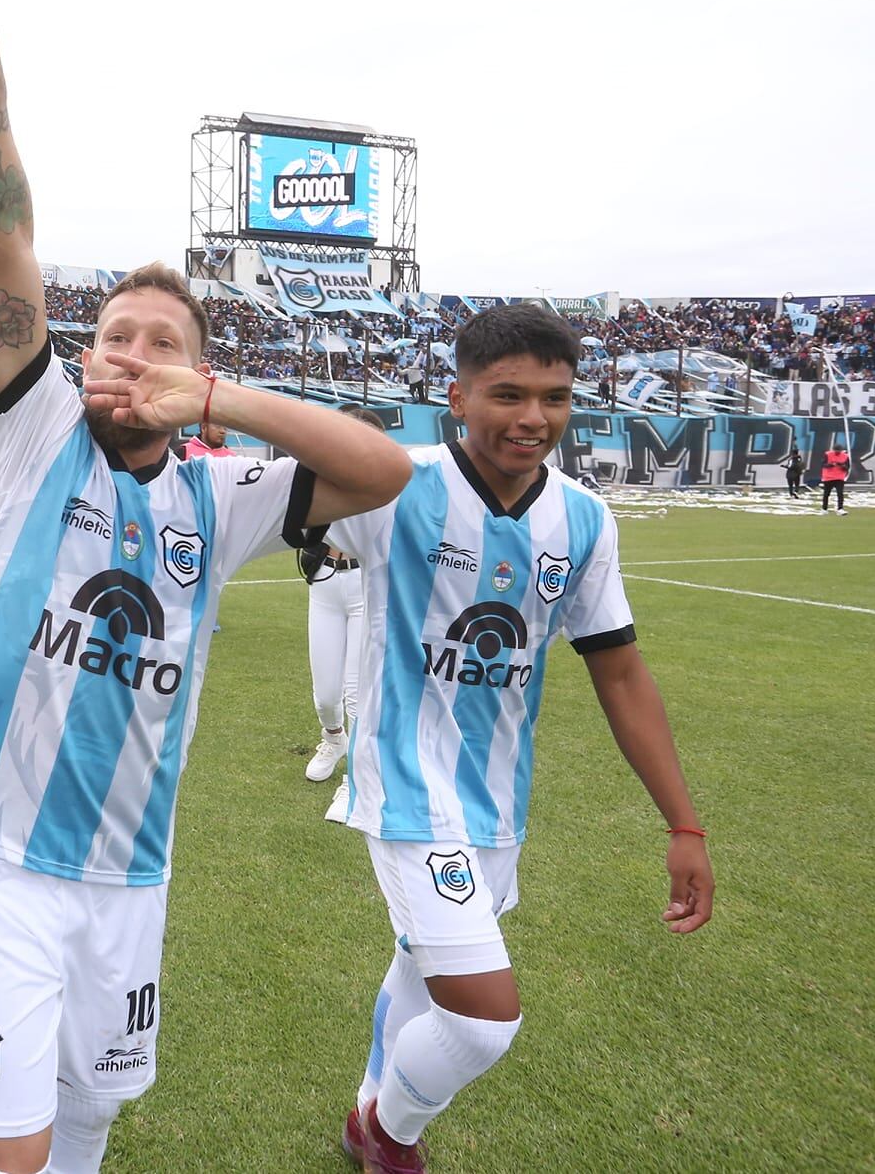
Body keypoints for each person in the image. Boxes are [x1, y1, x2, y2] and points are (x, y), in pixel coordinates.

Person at [0, 0, 412, 1174]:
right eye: (114, 335)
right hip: (0, 848)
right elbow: (0, 230)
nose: (128, 353)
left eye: (161, 342)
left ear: (192, 374)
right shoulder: (35, 433)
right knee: (8, 1146)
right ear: (82, 355)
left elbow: (385, 473)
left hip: (132, 867)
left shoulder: (217, 492)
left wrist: (225, 400)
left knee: (90, 1117)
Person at [319, 304, 714, 1172]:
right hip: (407, 785)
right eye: (507, 394)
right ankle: (386, 1130)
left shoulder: (583, 521)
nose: (533, 418)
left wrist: (684, 823)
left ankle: (363, 1109)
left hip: (497, 798)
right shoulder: (395, 481)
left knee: (422, 969)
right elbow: (272, 491)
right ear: (458, 396)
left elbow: (619, 671)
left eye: (555, 397)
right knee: (482, 1016)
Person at [303, 408, 388, 792]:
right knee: (325, 697)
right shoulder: (321, 479)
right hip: (325, 581)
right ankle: (334, 739)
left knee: (357, 693)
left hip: (365, 586)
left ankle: (355, 779)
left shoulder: (388, 486)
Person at [821, 438, 851, 514]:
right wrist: (830, 465)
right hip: (828, 477)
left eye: (839, 451)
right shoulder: (827, 454)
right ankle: (824, 509)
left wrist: (842, 466)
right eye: (836, 451)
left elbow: (848, 467)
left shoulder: (845, 456)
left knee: (840, 493)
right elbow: (823, 464)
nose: (837, 452)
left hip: (839, 477)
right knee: (826, 494)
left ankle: (840, 509)